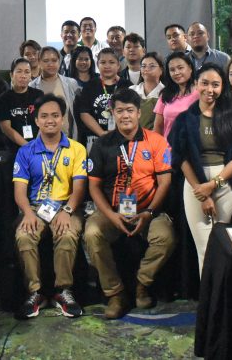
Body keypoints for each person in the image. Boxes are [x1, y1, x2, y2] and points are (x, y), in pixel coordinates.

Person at [84, 88, 175, 319]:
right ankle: (115, 293)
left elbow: (164, 182)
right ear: (112, 113)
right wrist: (111, 216)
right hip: (111, 211)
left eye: (130, 111)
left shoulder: (155, 141)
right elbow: (93, 186)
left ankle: (141, 284)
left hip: (148, 211)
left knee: (165, 238)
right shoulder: (102, 144)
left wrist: (149, 212)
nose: (125, 115)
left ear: (138, 113)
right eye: (120, 111)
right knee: (92, 233)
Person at [13, 94, 88, 319]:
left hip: (66, 206)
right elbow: (19, 191)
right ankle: (35, 293)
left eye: (55, 115)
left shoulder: (76, 149)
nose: (50, 120)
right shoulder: (25, 151)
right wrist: (27, 213)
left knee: (66, 234)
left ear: (63, 119)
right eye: (44, 116)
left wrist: (67, 211)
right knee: (24, 236)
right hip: (35, 207)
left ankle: (62, 291)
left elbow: (80, 188)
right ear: (36, 120)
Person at [170, 64, 232, 275]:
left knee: (227, 248)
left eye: (215, 84)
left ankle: (226, 302)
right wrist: (202, 193)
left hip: (227, 184)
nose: (209, 89)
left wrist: (213, 185)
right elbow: (181, 158)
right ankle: (210, 305)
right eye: (204, 83)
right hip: (195, 185)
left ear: (222, 87)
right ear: (195, 84)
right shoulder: (184, 119)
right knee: (204, 249)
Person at [73, 48, 130, 149]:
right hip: (95, 138)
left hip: (123, 137)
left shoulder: (127, 86)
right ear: (98, 65)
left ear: (118, 65)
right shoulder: (89, 86)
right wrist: (102, 133)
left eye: (111, 62)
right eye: (103, 62)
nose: (107, 66)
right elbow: (84, 113)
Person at [30, 46, 80, 134]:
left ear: (59, 62)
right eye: (46, 61)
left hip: (67, 140)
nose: (50, 64)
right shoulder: (32, 86)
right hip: (41, 141)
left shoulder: (71, 84)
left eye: (54, 60)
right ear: (39, 62)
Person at [0, 58, 43, 151]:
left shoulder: (38, 95)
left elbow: (43, 121)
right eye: (19, 71)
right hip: (14, 149)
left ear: (30, 76)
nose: (23, 76)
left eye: (27, 72)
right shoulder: (4, 98)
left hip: (37, 146)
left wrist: (36, 145)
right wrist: (27, 146)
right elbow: (6, 128)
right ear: (11, 75)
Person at [152, 52, 199, 139]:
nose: (176, 73)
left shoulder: (200, 92)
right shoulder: (165, 94)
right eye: (172, 70)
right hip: (167, 150)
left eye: (180, 68)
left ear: (190, 68)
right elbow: (158, 127)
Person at [132, 51, 165, 131]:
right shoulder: (132, 90)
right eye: (143, 66)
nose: (146, 69)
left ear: (161, 70)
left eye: (152, 66)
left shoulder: (166, 93)